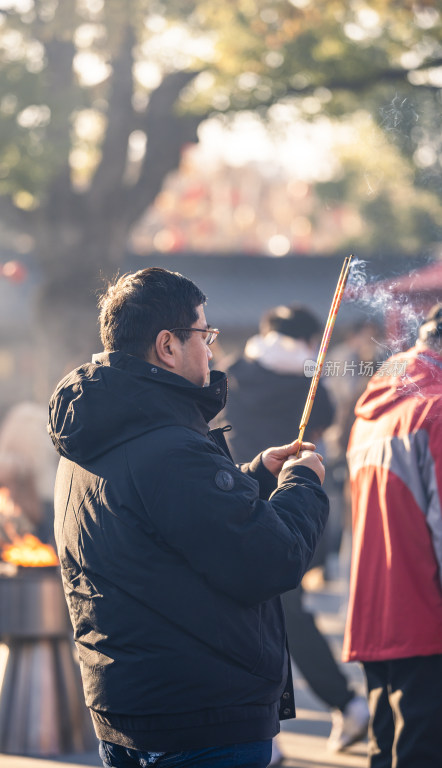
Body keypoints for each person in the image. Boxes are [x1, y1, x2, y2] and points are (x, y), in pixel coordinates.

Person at [48, 268, 329, 768]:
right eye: (204, 334)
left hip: (131, 706)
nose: (212, 350)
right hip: (199, 715)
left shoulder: (95, 434)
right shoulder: (168, 445)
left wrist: (256, 475)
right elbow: (268, 560)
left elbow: (160, 517)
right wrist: (302, 483)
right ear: (167, 346)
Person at [217, 305, 369, 760]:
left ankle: (274, 727)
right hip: (295, 502)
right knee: (287, 615)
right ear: (308, 340)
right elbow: (323, 426)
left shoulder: (235, 372)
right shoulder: (309, 382)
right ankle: (341, 704)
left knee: (253, 620)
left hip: (237, 496)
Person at [342, 302, 442, 767]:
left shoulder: (377, 403)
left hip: (374, 610)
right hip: (426, 616)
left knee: (387, 751)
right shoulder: (435, 408)